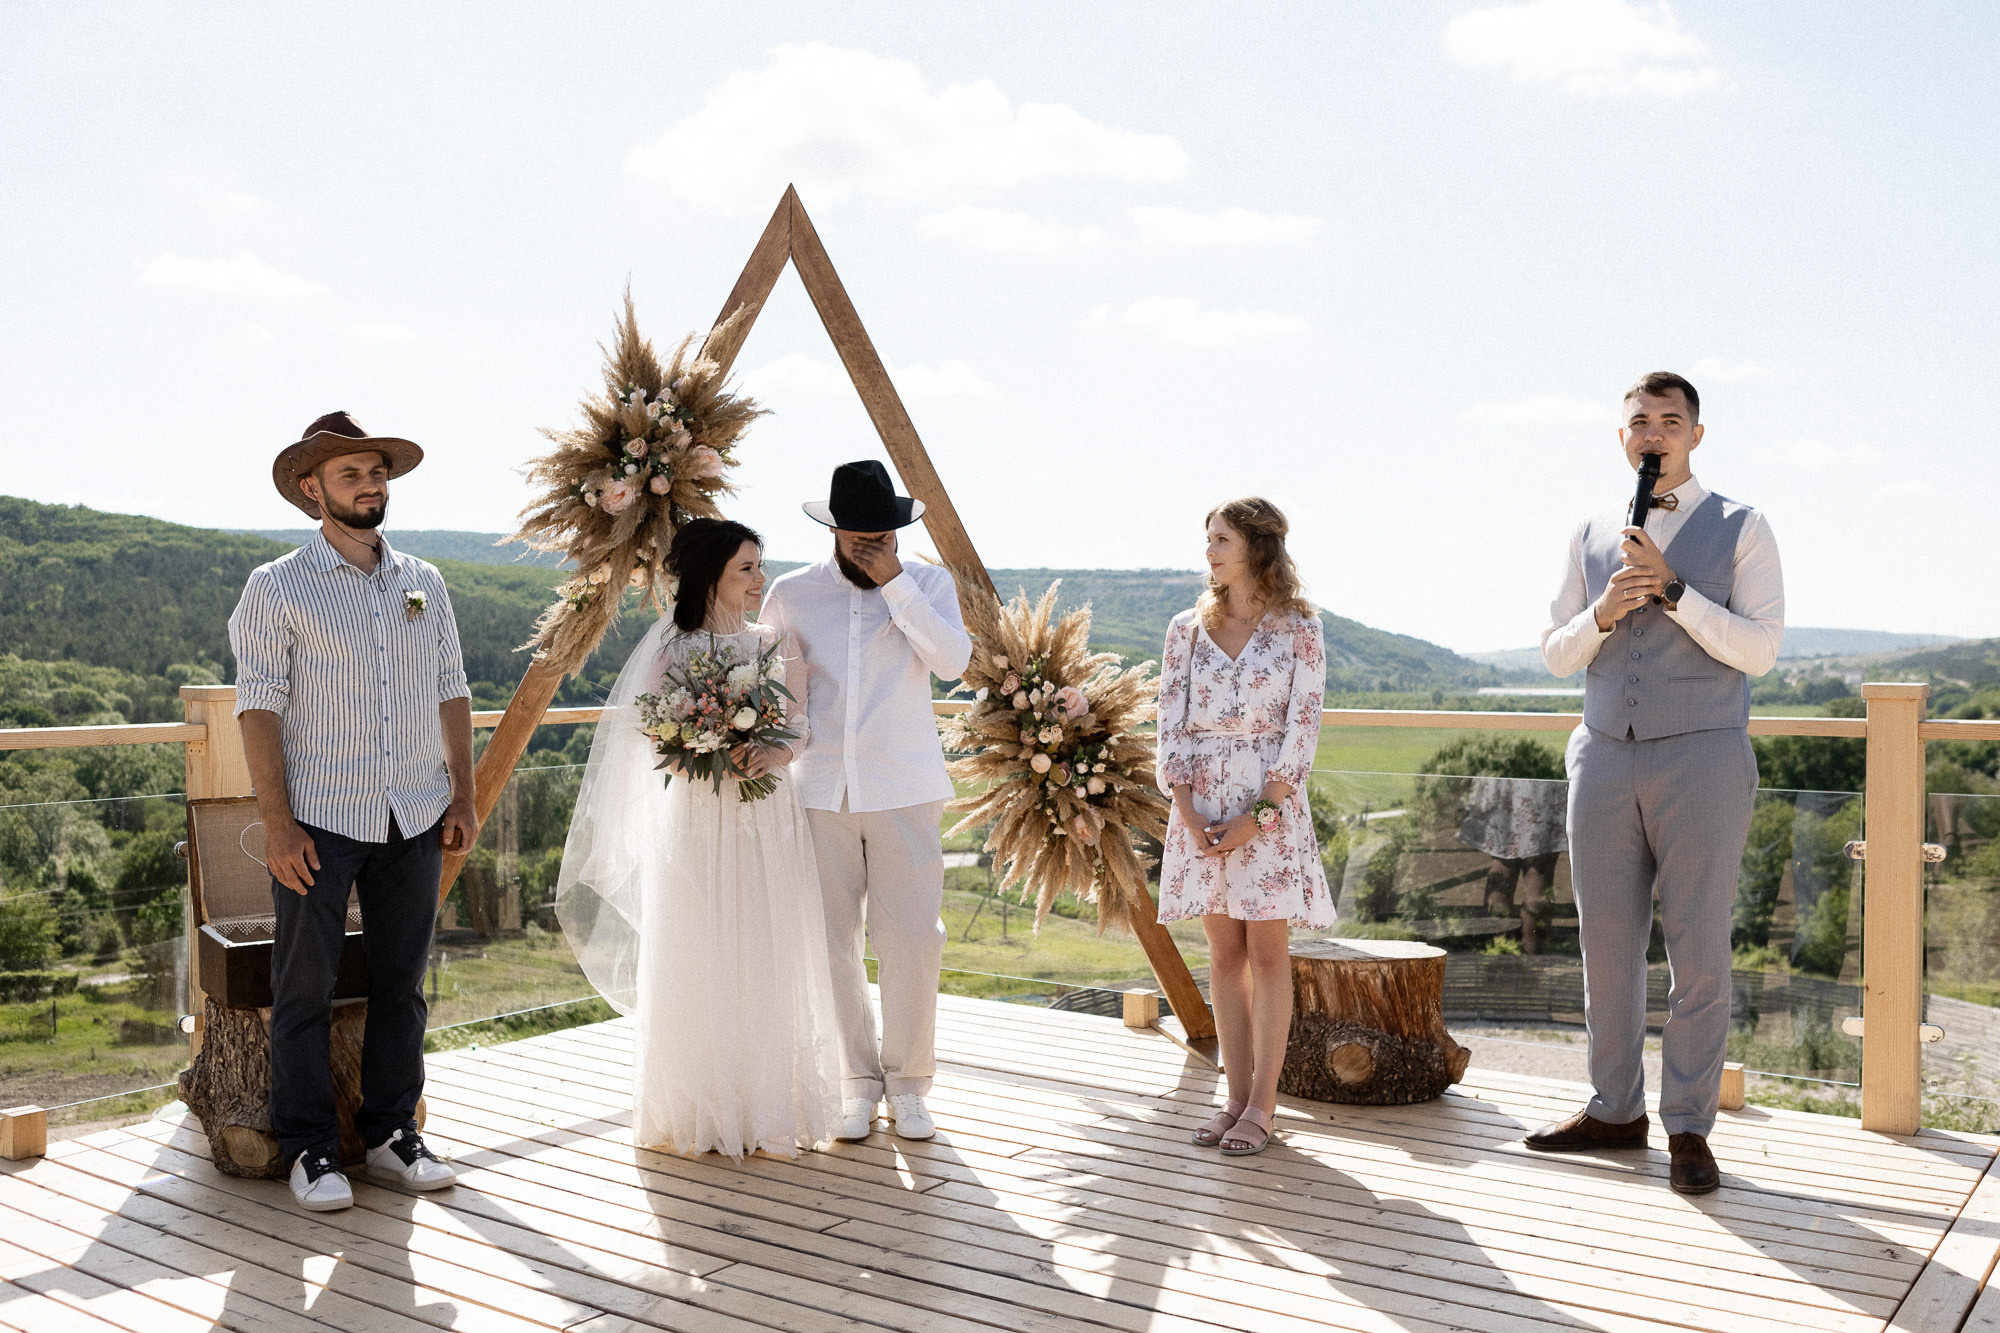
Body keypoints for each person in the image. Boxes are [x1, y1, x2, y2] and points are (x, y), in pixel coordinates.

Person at [1528, 371, 1784, 1195]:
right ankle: (1614, 1108)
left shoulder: (1744, 526)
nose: (1654, 432)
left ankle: (1689, 1127)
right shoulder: (1589, 531)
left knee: (1699, 946)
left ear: (1695, 436)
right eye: (1640, 420)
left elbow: (1760, 651)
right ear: (1622, 436)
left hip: (1704, 754)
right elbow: (1555, 651)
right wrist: (1604, 610)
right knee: (1606, 941)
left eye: (1670, 421)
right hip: (1602, 751)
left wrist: (1675, 591)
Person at [229, 411, 476, 1212]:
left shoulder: (425, 583)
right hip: (320, 821)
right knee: (304, 988)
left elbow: (454, 692)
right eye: (349, 476)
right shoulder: (275, 587)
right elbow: (258, 707)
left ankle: (390, 1133)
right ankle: (308, 1147)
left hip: (415, 814)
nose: (369, 486)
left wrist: (464, 796)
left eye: (376, 472)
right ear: (313, 490)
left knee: (402, 983)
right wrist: (276, 821)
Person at [554, 518, 841, 1158]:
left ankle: (768, 1108)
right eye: (746, 568)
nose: (758, 580)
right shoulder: (671, 650)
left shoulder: (776, 645)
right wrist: (697, 752)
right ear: (712, 575)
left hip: (765, 818)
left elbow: (799, 727)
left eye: (758, 567)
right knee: (700, 946)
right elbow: (652, 733)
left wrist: (772, 755)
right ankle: (698, 1107)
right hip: (697, 816)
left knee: (766, 944)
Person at [760, 460, 972, 1143]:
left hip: (904, 787)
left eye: (881, 536)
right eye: (859, 538)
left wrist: (895, 586)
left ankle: (910, 1084)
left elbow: (953, 662)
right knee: (829, 943)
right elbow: (766, 682)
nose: (870, 546)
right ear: (835, 530)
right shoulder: (792, 594)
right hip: (817, 789)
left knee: (912, 940)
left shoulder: (929, 583)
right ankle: (854, 1081)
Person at [1155, 497, 1333, 1157]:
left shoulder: (1299, 628)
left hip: (1269, 807)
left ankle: (1264, 1104)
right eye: (1207, 539)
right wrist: (1186, 807)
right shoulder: (1185, 628)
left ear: (1257, 546)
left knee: (1266, 955)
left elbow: (1303, 726)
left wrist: (1261, 814)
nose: (1209, 551)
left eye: (1221, 538)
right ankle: (1232, 1097)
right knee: (1224, 955)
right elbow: (1167, 723)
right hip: (1196, 806)